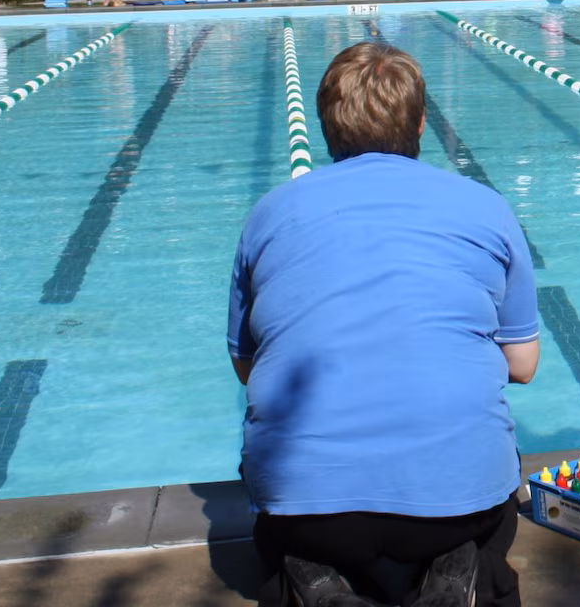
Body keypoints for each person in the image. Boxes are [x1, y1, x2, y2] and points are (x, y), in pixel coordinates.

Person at [229, 41, 538, 607]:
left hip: (307, 511)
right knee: (492, 503)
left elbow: (247, 367)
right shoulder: (485, 207)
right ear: (421, 123)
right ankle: (462, 563)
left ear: (324, 128)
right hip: (456, 505)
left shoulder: (269, 213)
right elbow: (523, 366)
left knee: (283, 530)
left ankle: (310, 574)